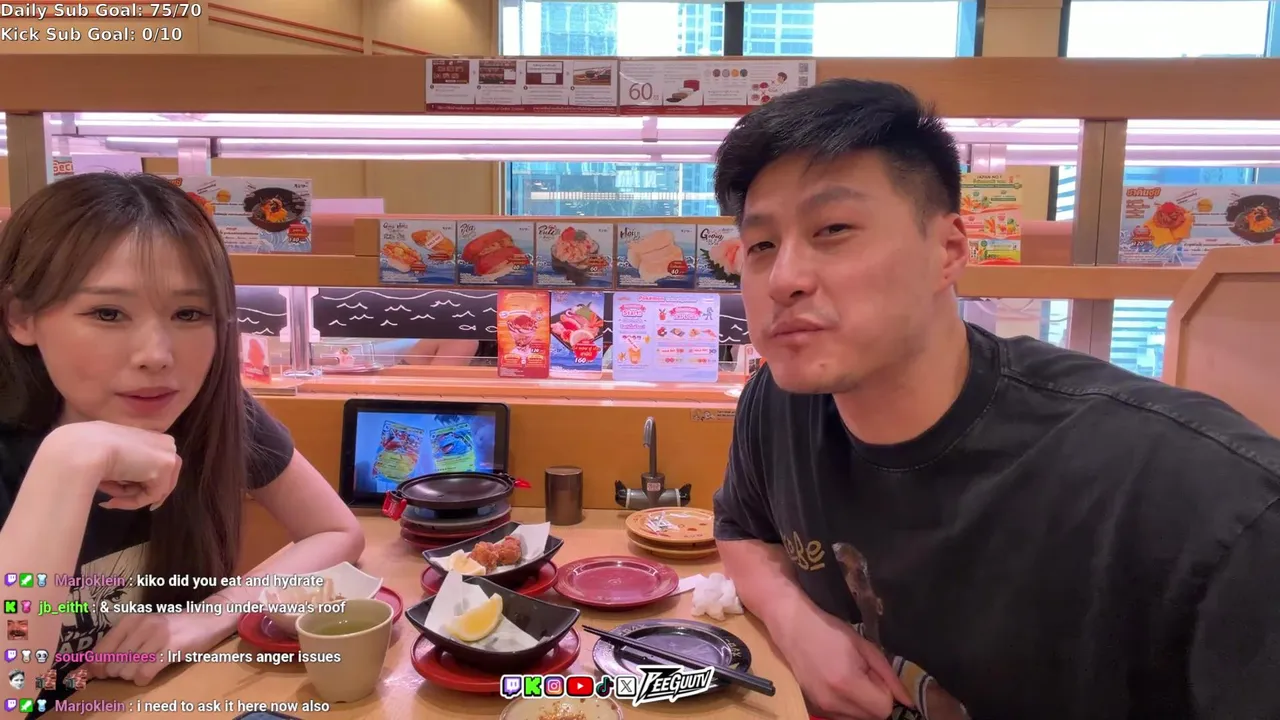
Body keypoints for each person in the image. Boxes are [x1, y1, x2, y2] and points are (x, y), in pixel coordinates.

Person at [711, 79, 1280, 720]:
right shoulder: (780, 403)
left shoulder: (1200, 499)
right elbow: (742, 531)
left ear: (949, 250)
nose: (784, 278)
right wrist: (796, 622)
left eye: (833, 228)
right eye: (761, 246)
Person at [0, 173, 366, 714]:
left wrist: (210, 613)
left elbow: (335, 531)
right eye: (107, 313)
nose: (157, 355)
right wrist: (69, 461)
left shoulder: (209, 411)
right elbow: (9, 690)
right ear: (21, 317)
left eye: (189, 314)